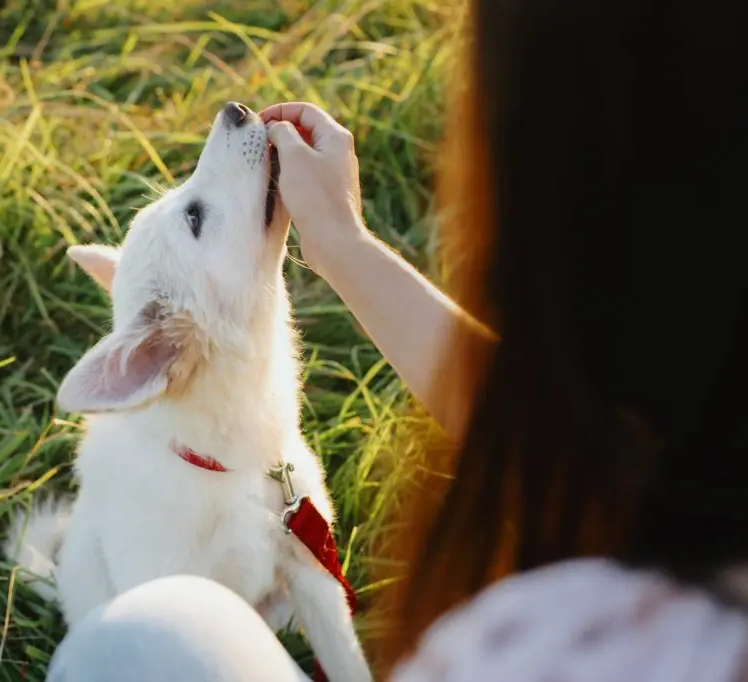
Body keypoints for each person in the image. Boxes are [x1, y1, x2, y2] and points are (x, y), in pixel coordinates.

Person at [46, 0, 748, 679]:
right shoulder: (666, 495)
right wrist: (345, 245)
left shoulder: (538, 643)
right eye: (198, 217)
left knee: (128, 648)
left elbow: (560, 447)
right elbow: (570, 448)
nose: (224, 122)